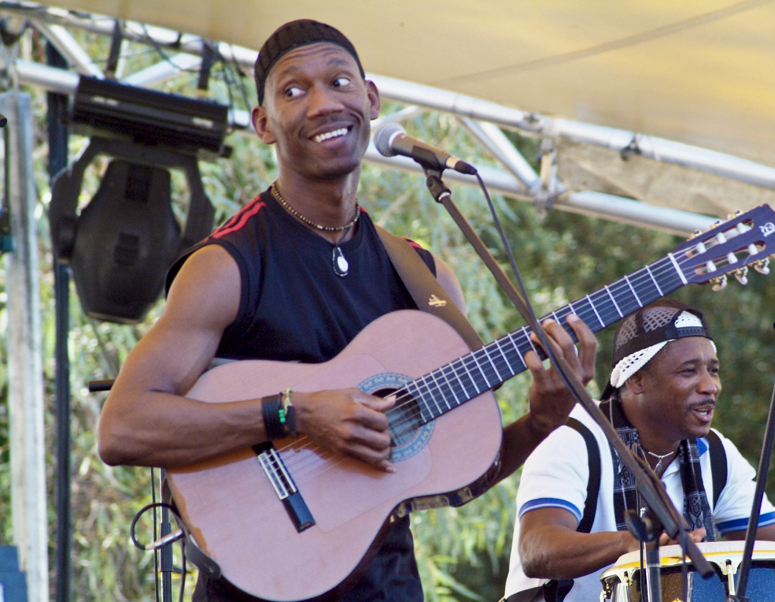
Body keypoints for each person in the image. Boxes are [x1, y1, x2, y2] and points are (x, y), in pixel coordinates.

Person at [96, 18, 597, 602]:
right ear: (263, 124)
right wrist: (294, 415)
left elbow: (451, 483)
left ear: (371, 98)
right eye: (293, 91)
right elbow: (123, 427)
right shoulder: (227, 265)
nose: (323, 104)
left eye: (340, 82)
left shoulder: (423, 275)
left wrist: (541, 421)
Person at [504, 298, 775, 602]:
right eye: (689, 371)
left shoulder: (715, 453)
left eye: (713, 370)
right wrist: (629, 545)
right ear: (637, 380)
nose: (711, 386)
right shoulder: (573, 437)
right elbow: (537, 548)